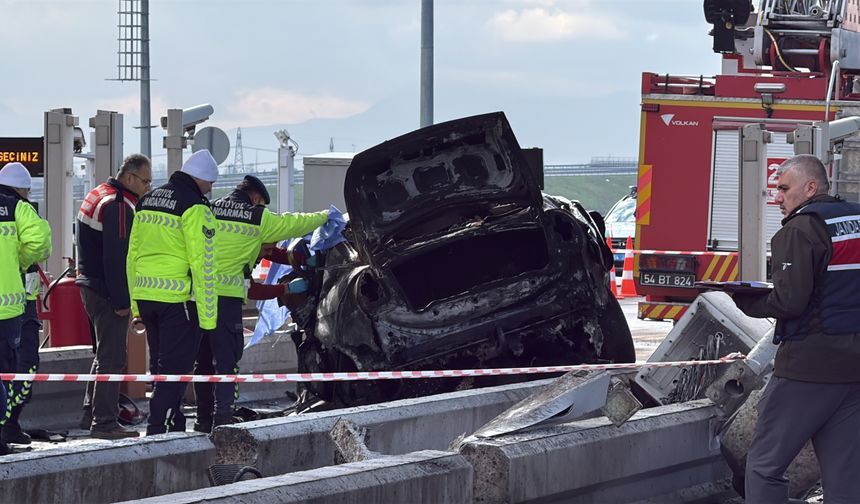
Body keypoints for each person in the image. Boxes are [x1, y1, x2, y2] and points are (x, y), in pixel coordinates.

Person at [731, 154, 860, 503]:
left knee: (763, 468)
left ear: (810, 187)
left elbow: (790, 303)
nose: (776, 198)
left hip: (809, 367)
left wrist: (746, 301)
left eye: (783, 189)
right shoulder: (855, 218)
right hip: (853, 370)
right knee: (846, 476)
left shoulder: (799, 229)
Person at [192, 175, 328, 432]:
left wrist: (294, 259)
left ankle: (203, 419)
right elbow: (291, 224)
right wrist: (324, 217)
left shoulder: (209, 209)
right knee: (227, 361)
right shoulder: (255, 217)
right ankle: (223, 418)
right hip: (226, 302)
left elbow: (267, 252)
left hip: (197, 297)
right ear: (256, 198)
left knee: (202, 360)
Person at [127, 150, 219, 435]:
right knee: (174, 371)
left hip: (146, 296)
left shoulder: (147, 200)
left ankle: (174, 425)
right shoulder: (195, 206)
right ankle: (158, 431)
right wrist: (208, 319)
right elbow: (203, 264)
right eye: (210, 183)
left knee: (160, 367)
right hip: (177, 300)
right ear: (201, 180)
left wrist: (135, 307)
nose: (211, 189)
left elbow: (132, 255)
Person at [76, 154, 152, 439]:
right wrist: (123, 302)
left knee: (103, 354)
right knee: (113, 356)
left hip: (89, 284)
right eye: (144, 181)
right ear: (129, 177)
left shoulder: (98, 193)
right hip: (106, 290)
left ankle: (89, 413)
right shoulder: (119, 206)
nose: (146, 187)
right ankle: (104, 423)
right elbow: (117, 258)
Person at [0, 162, 51, 454]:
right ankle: (7, 426)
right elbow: (40, 242)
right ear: (22, 191)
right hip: (13, 307)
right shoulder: (17, 207)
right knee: (19, 366)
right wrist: (20, 259)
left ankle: (8, 428)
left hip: (14, 305)